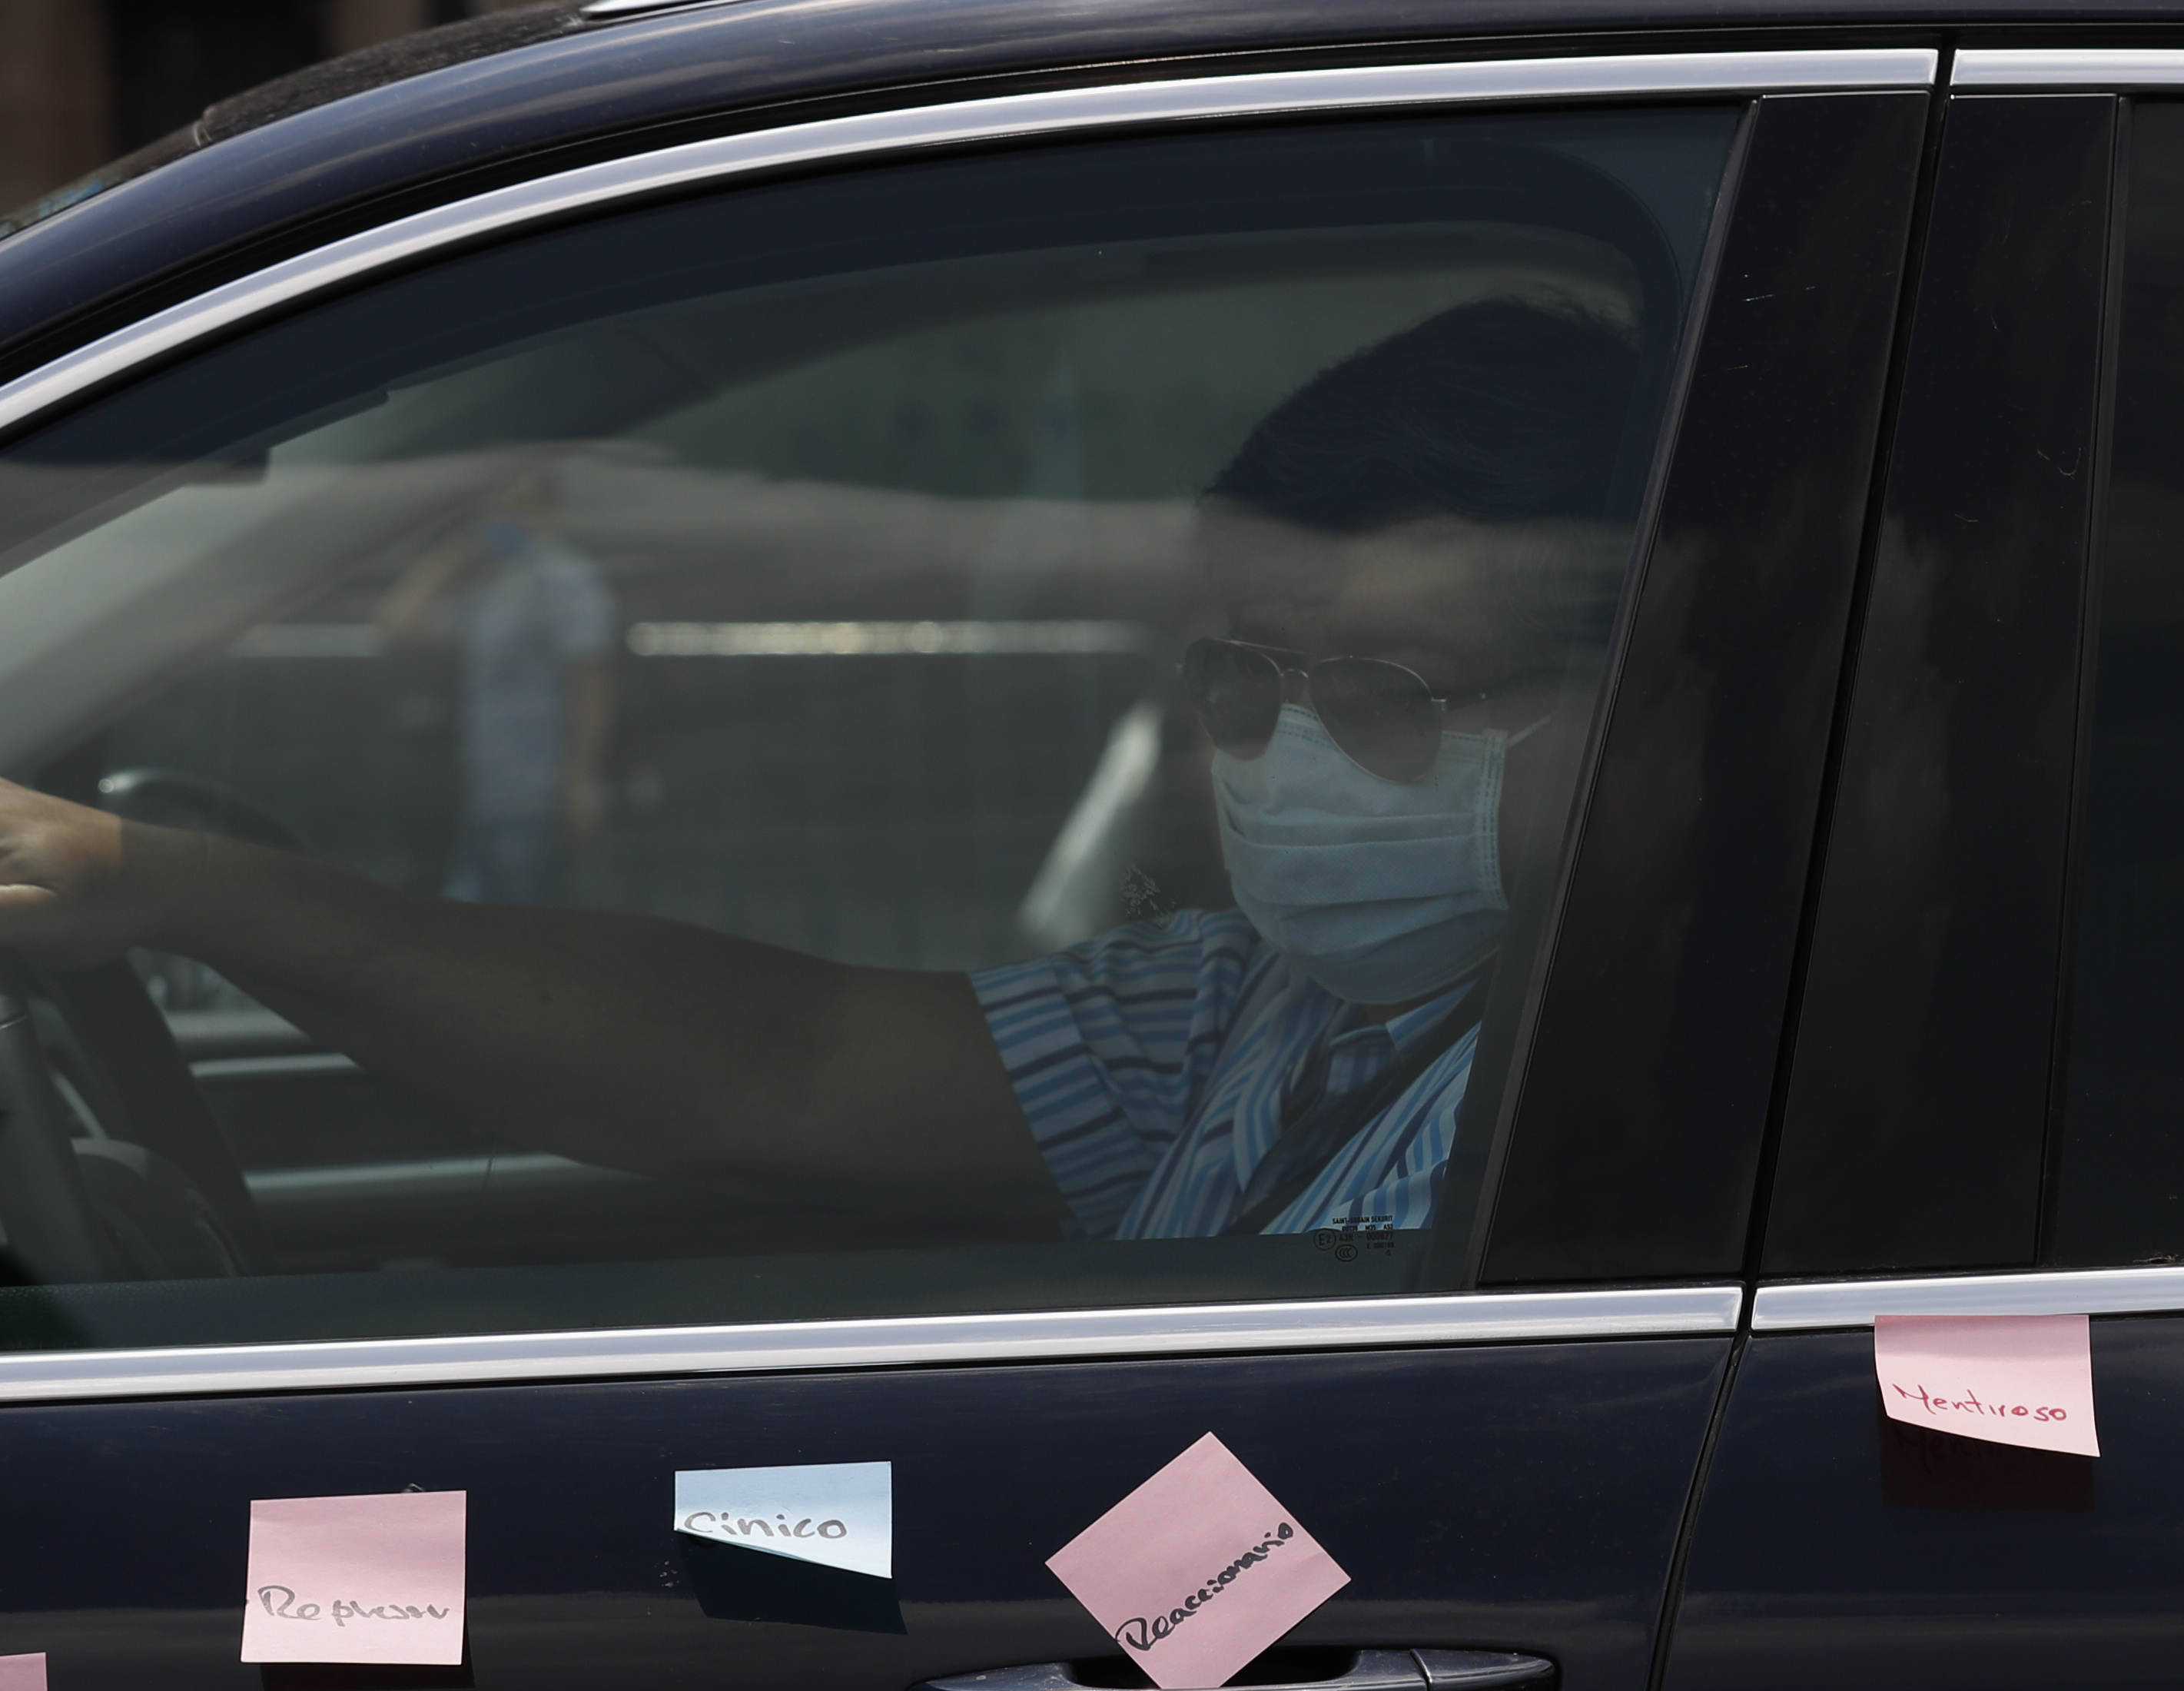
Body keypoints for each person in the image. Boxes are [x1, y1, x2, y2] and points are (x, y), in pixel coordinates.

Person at [0, 296, 1635, 1246]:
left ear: (1643, 706)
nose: (1282, 759)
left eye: (1386, 702)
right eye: (1236, 684)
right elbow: (770, 1063)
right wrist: (175, 888)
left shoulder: (1632, 1108)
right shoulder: (1263, 1006)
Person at [375, 473, 616, 908]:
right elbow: (398, 622)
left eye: (517, 506)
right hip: (488, 793)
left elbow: (590, 681)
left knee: (525, 935)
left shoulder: (566, 578)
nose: (503, 519)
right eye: (493, 509)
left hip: (539, 797)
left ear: (547, 513)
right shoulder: (493, 586)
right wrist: (456, 551)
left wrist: (580, 781)